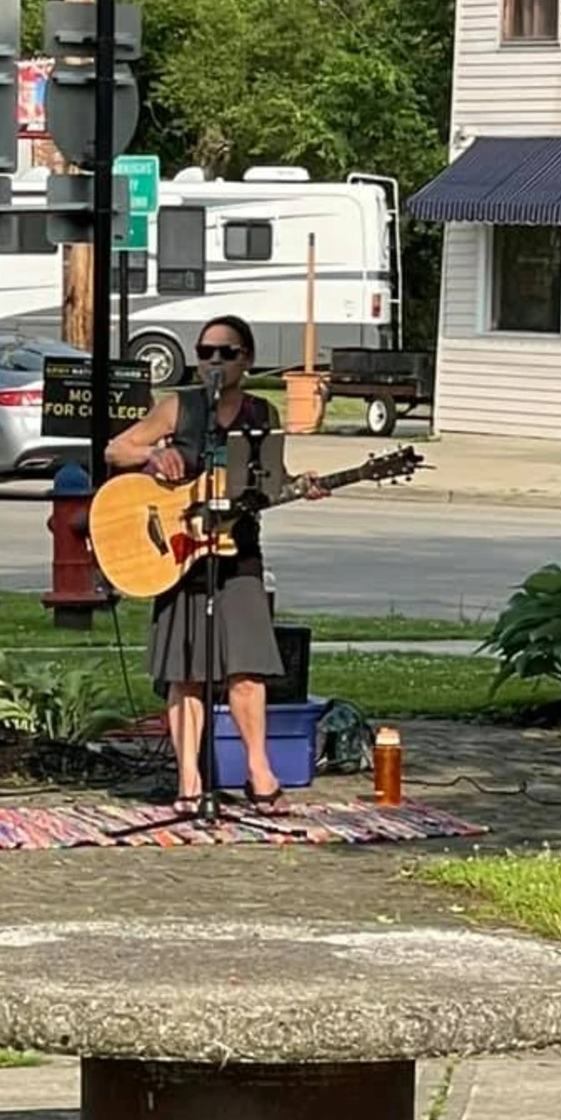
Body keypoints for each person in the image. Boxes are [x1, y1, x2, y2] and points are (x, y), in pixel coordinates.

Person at [104, 314, 329, 815]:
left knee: (247, 668)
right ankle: (189, 781)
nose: (214, 361)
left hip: (238, 551)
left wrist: (302, 485)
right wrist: (152, 458)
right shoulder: (180, 406)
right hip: (180, 553)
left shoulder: (261, 412)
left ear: (247, 360)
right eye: (206, 352)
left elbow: (270, 480)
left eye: (226, 353)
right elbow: (117, 448)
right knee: (185, 671)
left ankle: (259, 772)